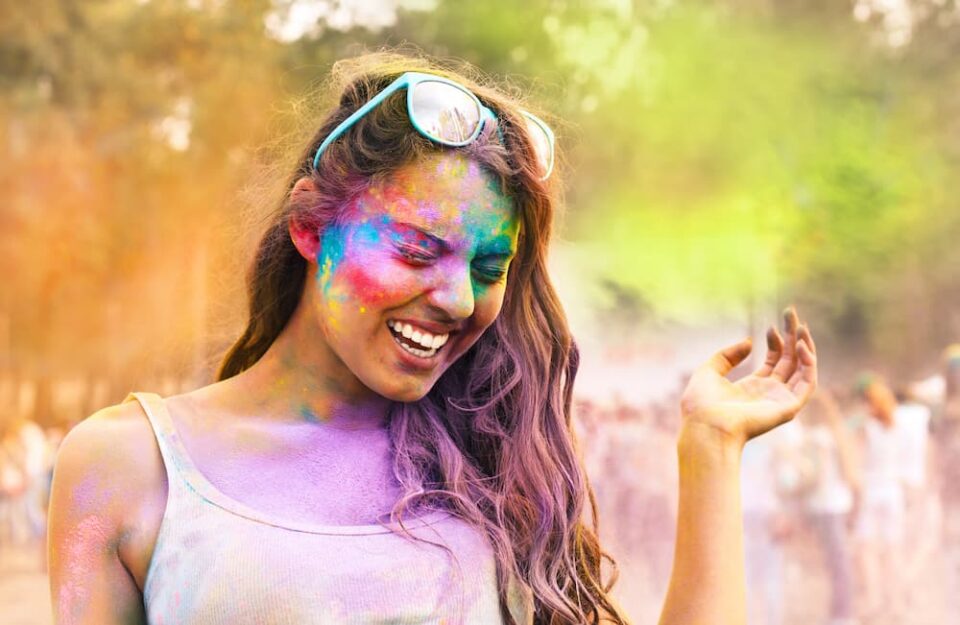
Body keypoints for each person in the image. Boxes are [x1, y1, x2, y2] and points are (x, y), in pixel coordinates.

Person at [46, 53, 818, 625]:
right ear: (312, 226)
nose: (457, 298)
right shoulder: (129, 468)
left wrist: (710, 449)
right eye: (417, 250)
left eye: (490, 267)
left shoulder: (493, 477)